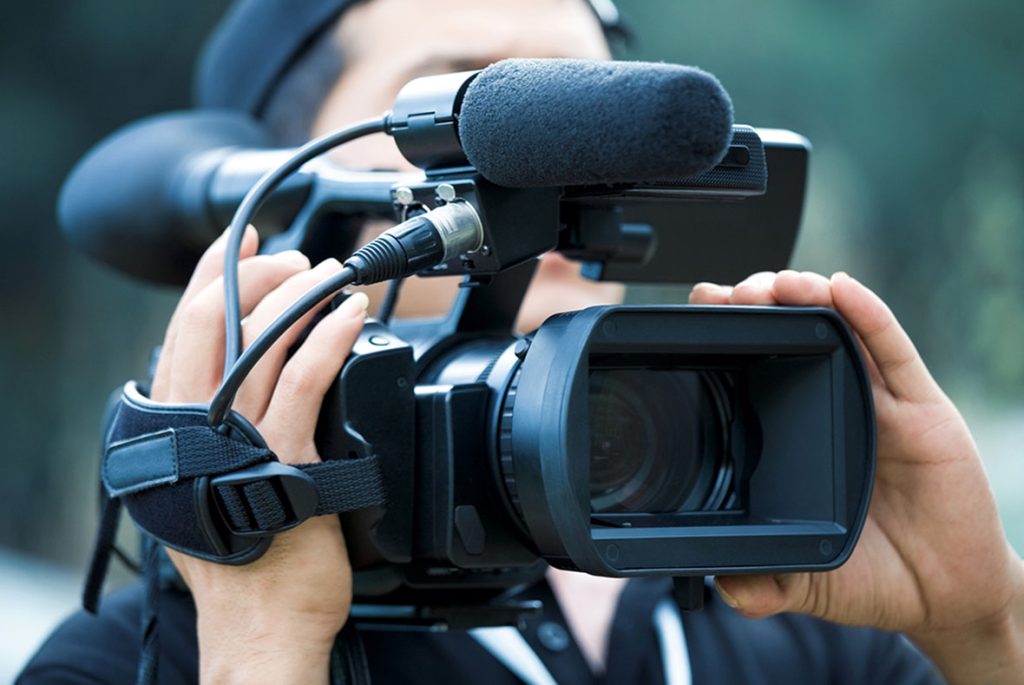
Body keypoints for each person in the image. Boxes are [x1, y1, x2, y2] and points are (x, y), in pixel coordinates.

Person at [19, 0, 1024, 683]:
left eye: (580, 117)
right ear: (275, 191)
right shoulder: (134, 658)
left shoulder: (798, 603)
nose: (542, 174)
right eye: (462, 108)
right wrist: (262, 649)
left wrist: (982, 626)